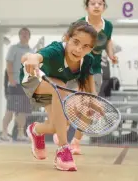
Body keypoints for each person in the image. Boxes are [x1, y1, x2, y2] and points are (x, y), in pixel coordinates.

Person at [20, 20, 98, 171]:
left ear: (90, 49)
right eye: (75, 42)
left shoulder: (87, 61)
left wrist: (93, 105)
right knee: (60, 90)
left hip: (54, 88)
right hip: (32, 82)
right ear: (66, 38)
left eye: (85, 46)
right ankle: (63, 149)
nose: (78, 49)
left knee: (56, 126)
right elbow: (35, 56)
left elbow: (91, 92)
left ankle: (36, 130)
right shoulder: (56, 50)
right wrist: (31, 58)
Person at [54, 0, 118, 155]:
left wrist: (111, 55)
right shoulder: (79, 24)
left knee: (90, 106)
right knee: (72, 102)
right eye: (93, 3)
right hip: (77, 68)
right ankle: (63, 129)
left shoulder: (108, 26)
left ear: (104, 7)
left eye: (100, 3)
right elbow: (66, 39)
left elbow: (108, 40)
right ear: (87, 7)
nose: (97, 6)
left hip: (95, 70)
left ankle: (76, 142)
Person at [1, 27, 34, 141]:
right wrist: (11, 78)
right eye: (22, 33)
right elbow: (9, 62)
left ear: (29, 37)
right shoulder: (13, 48)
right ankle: (4, 133)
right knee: (10, 110)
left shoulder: (32, 51)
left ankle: (21, 133)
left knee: (23, 111)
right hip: (14, 84)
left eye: (26, 34)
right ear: (19, 36)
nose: (24, 35)